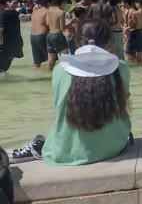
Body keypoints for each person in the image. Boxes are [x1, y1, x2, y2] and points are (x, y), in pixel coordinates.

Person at [9, 19, 132, 165]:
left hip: (68, 153)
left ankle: (38, 147)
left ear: (77, 41)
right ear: (109, 42)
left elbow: (59, 107)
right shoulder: (121, 68)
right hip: (113, 146)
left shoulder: (60, 70)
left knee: (45, 138)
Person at [0, 0, 24, 79]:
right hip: (14, 41)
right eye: (14, 2)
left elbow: (1, 29)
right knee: (6, 62)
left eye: (17, 3)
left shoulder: (4, 13)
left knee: (4, 62)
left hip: (9, 42)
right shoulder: (12, 13)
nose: (16, 5)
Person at [124, 0, 142, 64]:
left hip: (139, 32)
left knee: (139, 52)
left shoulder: (135, 13)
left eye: (136, 3)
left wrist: (128, 25)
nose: (135, 5)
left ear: (138, 3)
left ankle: (140, 68)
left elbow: (133, 25)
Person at [46, 0, 69, 71]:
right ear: (62, 3)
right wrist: (72, 23)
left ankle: (48, 74)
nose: (65, 5)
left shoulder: (49, 9)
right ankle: (63, 74)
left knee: (51, 59)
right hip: (57, 36)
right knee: (65, 57)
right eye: (65, 3)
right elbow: (62, 28)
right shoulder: (61, 12)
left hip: (49, 35)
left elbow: (48, 23)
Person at [30, 0, 51, 68]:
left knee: (37, 62)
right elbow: (48, 23)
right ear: (48, 3)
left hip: (32, 36)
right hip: (42, 36)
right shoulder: (47, 11)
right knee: (50, 59)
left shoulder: (35, 12)